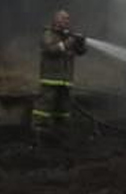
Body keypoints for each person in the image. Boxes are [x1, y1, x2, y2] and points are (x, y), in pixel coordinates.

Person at [33, 9, 87, 140]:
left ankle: (61, 134)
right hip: (50, 79)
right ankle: (40, 134)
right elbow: (50, 49)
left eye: (68, 19)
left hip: (65, 80)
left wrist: (80, 43)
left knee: (63, 109)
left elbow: (81, 52)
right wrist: (68, 42)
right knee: (44, 108)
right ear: (56, 20)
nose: (67, 21)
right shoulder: (48, 34)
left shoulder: (68, 36)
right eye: (63, 18)